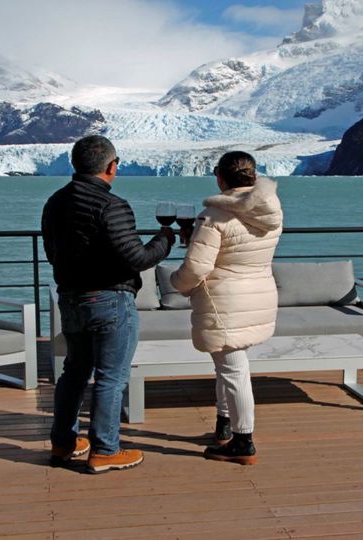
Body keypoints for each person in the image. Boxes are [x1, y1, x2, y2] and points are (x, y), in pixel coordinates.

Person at [42, 135, 174, 473]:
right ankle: (104, 450)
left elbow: (52, 253)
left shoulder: (54, 202)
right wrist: (166, 239)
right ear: (112, 167)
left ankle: (63, 442)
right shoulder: (111, 205)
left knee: (74, 372)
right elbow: (138, 257)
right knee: (111, 378)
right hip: (110, 299)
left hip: (70, 298)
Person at [170, 151, 283, 465]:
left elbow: (196, 268)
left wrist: (177, 283)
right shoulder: (271, 210)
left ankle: (243, 441)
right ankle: (224, 425)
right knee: (228, 364)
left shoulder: (214, 216)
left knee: (234, 370)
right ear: (253, 176)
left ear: (220, 177)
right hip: (258, 295)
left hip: (225, 303)